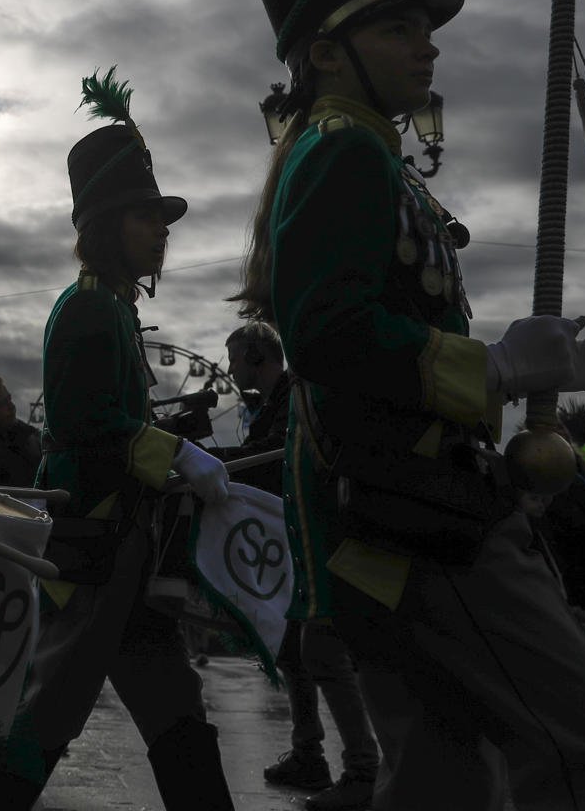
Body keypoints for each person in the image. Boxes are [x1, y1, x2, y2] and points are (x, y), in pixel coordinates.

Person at [233, 0, 585, 809]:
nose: (426, 45)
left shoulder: (361, 154)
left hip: (402, 521)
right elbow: (330, 337)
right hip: (428, 529)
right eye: (397, 26)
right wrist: (501, 368)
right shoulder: (346, 151)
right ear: (327, 53)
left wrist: (520, 371)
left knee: (442, 785)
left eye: (422, 25)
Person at [0, 70, 233, 811]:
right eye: (146, 216)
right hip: (97, 554)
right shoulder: (87, 310)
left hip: (123, 553)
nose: (162, 229)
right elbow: (87, 426)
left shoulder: (111, 308)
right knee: (46, 719)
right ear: (107, 225)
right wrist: (178, 454)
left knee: (175, 707)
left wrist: (181, 451)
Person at [230, 323, 380, 809]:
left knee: (321, 648)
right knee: (296, 649)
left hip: (320, 538)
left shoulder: (295, 395)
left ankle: (363, 769)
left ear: (257, 356)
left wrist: (206, 460)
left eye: (235, 358)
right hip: (298, 539)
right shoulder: (283, 398)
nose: (230, 368)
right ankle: (310, 754)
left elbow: (270, 460)